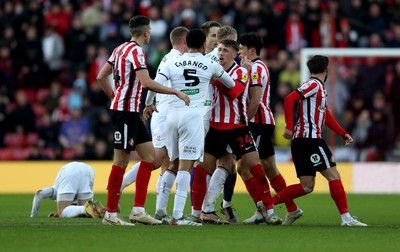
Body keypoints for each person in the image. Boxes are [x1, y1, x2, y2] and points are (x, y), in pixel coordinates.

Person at [96, 15, 190, 226]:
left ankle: (138, 210)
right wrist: (174, 91)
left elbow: (101, 76)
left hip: (128, 111)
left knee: (149, 157)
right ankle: (110, 214)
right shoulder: (136, 51)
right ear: (146, 32)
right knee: (120, 160)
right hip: (125, 113)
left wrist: (115, 96)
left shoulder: (119, 49)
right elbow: (146, 82)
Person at [148, 29, 240, 226]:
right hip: (193, 116)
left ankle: (159, 212)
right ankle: (178, 217)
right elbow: (231, 84)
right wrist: (213, 77)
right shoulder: (209, 63)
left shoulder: (171, 61)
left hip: (172, 116)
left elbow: (154, 84)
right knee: (186, 166)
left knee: (171, 163)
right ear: (203, 45)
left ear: (186, 42)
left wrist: (149, 104)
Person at [272, 55, 367, 227]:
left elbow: (327, 116)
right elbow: (289, 99)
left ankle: (267, 206)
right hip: (311, 140)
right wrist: (289, 125)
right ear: (326, 70)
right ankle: (346, 219)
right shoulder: (314, 85)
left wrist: (342, 133)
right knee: (334, 175)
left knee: (307, 186)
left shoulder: (318, 89)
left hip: (301, 142)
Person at [193, 39, 281, 225]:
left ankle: (270, 211)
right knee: (202, 169)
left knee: (256, 168)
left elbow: (234, 93)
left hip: (237, 128)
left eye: (225, 50)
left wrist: (214, 79)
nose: (221, 54)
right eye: (219, 50)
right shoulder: (213, 68)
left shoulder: (241, 71)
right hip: (216, 128)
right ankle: (197, 214)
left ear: (234, 54)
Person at [237, 32, 302, 225]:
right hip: (262, 122)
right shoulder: (256, 66)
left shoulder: (255, 68)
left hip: (257, 123)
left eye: (241, 49)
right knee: (269, 169)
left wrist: (243, 121)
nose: (239, 52)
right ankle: (291, 208)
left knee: (247, 167)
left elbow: (255, 101)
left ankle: (263, 208)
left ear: (251, 50)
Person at [191, 25, 240, 224]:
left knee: (203, 165)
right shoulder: (221, 63)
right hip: (217, 118)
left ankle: (199, 211)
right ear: (227, 40)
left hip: (200, 114)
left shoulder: (204, 59)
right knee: (224, 163)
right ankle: (206, 209)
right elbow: (234, 90)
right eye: (234, 42)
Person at [30, 162, 105, 218]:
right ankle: (106, 210)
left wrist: (33, 215)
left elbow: (39, 193)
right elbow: (74, 207)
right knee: (88, 212)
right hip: (88, 169)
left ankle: (88, 208)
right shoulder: (67, 192)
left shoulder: (55, 190)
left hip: (69, 171)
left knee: (63, 212)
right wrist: (58, 213)